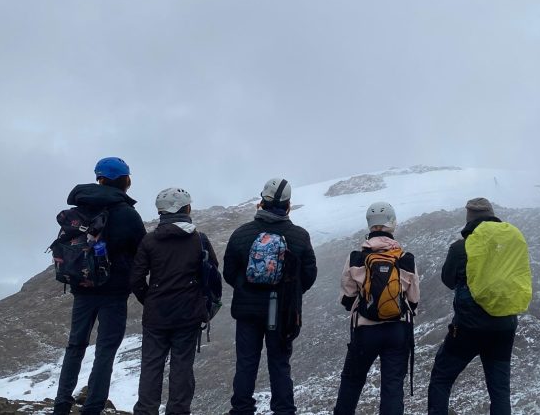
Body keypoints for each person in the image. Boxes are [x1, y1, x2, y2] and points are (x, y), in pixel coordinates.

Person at [54, 157, 147, 415]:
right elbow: (142, 251)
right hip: (114, 291)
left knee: (75, 345)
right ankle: (93, 407)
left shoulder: (80, 207)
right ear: (125, 181)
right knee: (105, 350)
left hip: (82, 286)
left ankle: (61, 406)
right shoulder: (127, 214)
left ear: (100, 178)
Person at [222, 178, 318, 415]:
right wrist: (290, 293)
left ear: (261, 202)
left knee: (246, 363)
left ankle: (241, 409)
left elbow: (229, 272)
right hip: (283, 312)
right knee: (279, 364)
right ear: (288, 205)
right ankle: (284, 410)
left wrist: (245, 288)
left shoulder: (242, 233)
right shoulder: (298, 236)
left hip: (247, 311)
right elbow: (309, 274)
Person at [427, 198, 528, 415]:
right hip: (505, 326)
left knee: (441, 378)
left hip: (469, 328)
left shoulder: (461, 248)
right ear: (492, 215)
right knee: (500, 390)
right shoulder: (513, 243)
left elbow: (448, 280)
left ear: (469, 219)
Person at [130, 187, 218, 415]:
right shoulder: (199, 239)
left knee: (151, 366)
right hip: (188, 314)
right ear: (186, 208)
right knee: (182, 368)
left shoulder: (149, 241)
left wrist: (149, 299)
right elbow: (213, 273)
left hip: (156, 314)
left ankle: (145, 411)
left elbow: (136, 278)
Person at [333, 202, 420, 415]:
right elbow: (414, 299)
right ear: (392, 224)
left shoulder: (357, 258)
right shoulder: (405, 258)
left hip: (365, 331)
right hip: (397, 332)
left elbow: (347, 299)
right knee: (392, 388)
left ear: (370, 225)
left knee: (352, 381)